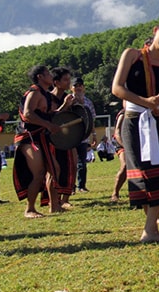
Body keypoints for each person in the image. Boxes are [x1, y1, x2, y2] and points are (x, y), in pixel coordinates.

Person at [111, 18, 159, 242]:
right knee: (140, 171)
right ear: (155, 32)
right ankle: (151, 227)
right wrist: (145, 101)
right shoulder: (132, 55)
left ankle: (150, 229)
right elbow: (117, 88)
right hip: (134, 120)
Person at [13, 65, 69, 218]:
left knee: (54, 169)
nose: (51, 76)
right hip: (28, 137)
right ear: (40, 77)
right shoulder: (34, 92)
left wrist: (65, 106)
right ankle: (29, 209)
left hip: (41, 137)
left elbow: (49, 115)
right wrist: (48, 125)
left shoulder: (45, 95)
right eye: (48, 74)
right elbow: (28, 114)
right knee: (38, 173)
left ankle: (54, 205)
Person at [49, 66, 77, 209]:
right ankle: (54, 202)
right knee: (55, 169)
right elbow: (51, 118)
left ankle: (65, 199)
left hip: (67, 139)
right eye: (65, 80)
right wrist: (65, 105)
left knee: (72, 166)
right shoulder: (48, 98)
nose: (68, 82)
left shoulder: (68, 97)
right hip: (52, 139)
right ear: (56, 82)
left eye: (69, 79)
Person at [71, 77, 97, 192]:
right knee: (71, 163)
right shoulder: (68, 100)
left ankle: (81, 185)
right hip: (70, 137)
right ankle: (70, 187)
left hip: (83, 137)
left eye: (80, 85)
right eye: (76, 85)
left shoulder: (88, 102)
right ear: (71, 88)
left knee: (82, 162)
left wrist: (94, 135)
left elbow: (91, 120)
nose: (78, 88)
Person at [110, 108, 126, 203]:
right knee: (125, 165)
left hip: (134, 142)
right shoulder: (123, 113)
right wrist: (125, 146)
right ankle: (115, 193)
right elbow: (117, 132)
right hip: (121, 143)